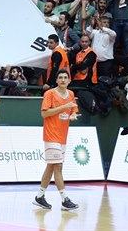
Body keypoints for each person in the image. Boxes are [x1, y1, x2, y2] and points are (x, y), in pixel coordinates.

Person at [33, 68, 80, 211]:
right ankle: (65, 199)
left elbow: (74, 111)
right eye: (60, 77)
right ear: (57, 80)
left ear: (69, 80)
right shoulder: (50, 94)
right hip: (51, 135)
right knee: (58, 167)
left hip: (62, 136)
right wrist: (63, 106)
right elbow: (44, 114)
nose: (63, 80)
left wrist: (73, 116)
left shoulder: (71, 94)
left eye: (65, 77)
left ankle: (40, 196)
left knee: (51, 166)